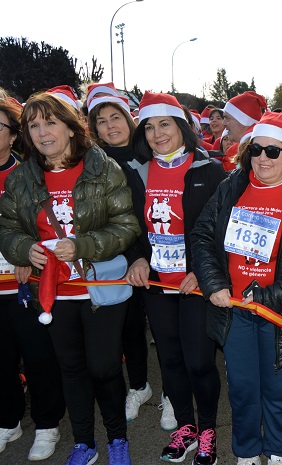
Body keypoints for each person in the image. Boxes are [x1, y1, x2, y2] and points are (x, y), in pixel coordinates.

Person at [0, 91, 140, 465]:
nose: (43, 132)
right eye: (34, 125)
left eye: (50, 122)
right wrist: (22, 248)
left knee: (104, 367)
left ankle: (117, 438)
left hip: (101, 286)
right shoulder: (23, 177)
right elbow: (8, 227)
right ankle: (83, 443)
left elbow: (127, 226)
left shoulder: (102, 167)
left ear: (70, 127)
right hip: (52, 292)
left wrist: (84, 245)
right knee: (71, 368)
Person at [190, 112, 282, 465]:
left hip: (279, 313)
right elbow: (203, 236)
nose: (263, 158)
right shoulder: (230, 187)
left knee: (278, 391)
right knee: (243, 389)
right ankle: (247, 452)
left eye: (273, 152)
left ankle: (279, 451)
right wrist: (214, 282)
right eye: (256, 150)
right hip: (235, 311)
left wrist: (266, 297)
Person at [123, 92, 225, 465]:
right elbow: (132, 225)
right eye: (148, 127)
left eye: (164, 124)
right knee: (170, 359)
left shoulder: (209, 169)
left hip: (196, 284)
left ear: (182, 126)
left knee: (199, 360)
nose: (156, 133)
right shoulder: (138, 172)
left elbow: (222, 229)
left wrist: (203, 271)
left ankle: (209, 428)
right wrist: (137, 259)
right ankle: (186, 427)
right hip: (158, 285)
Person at [86, 84, 159, 426]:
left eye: (116, 117)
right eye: (101, 121)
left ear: (129, 118)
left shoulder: (150, 152)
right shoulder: (93, 162)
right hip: (121, 255)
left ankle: (172, 392)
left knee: (164, 325)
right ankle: (140, 386)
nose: (110, 126)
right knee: (129, 325)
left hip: (160, 251)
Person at [0, 96, 66, 462]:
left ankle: (47, 422)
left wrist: (23, 250)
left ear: (13, 136)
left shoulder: (28, 174)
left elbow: (49, 224)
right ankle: (8, 420)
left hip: (26, 285)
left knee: (38, 356)